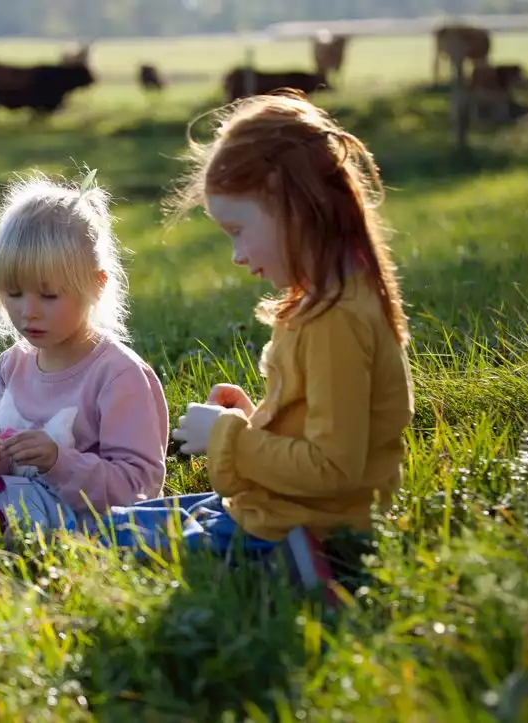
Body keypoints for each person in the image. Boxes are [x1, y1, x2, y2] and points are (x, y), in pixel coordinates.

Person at [83, 90, 415, 602]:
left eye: (239, 231)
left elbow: (332, 467)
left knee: (97, 540)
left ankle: (298, 564)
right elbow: (321, 428)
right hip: (282, 506)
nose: (237, 255)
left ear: (291, 205)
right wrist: (256, 416)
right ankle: (287, 557)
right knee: (113, 523)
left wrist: (228, 436)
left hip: (304, 521)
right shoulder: (333, 301)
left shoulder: (336, 321)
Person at [0, 171, 170, 543]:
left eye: (49, 296)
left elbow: (140, 489)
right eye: (13, 293)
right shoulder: (13, 365)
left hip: (88, 527)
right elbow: (3, 465)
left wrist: (59, 460)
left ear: (96, 284)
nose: (29, 312)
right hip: (23, 511)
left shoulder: (118, 375)